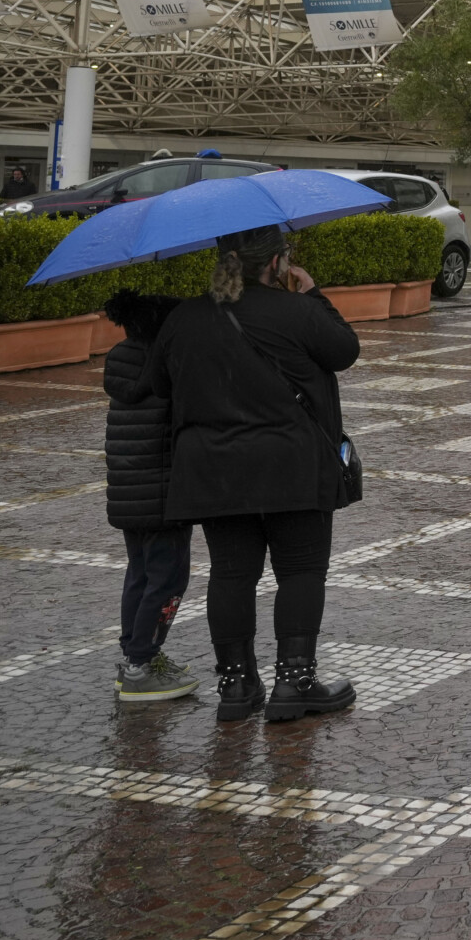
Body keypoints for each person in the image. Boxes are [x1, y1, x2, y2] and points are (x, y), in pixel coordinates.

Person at [147, 224, 362, 723]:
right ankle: (294, 685)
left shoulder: (186, 317)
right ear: (276, 262)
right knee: (301, 572)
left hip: (214, 471)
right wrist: (315, 294)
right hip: (292, 466)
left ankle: (236, 687)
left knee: (231, 574)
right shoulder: (298, 310)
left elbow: (158, 383)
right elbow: (344, 351)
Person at [102, 291, 197, 702]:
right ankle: (142, 666)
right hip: (163, 496)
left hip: (128, 494)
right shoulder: (170, 367)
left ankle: (136, 659)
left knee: (139, 574)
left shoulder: (121, 358)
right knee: (168, 579)